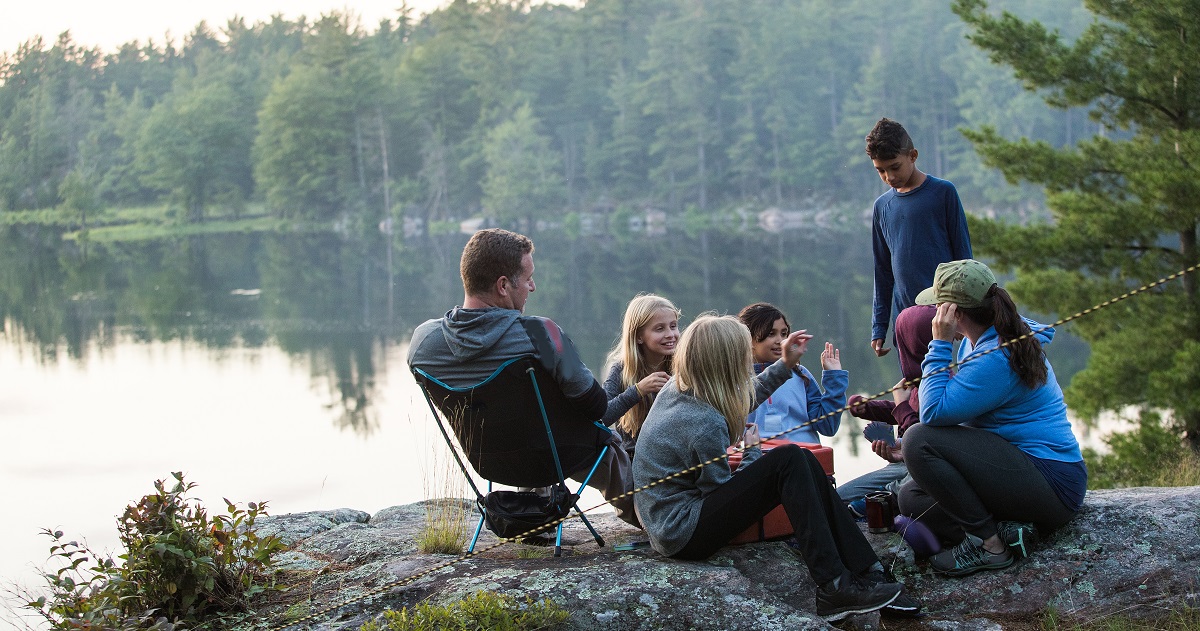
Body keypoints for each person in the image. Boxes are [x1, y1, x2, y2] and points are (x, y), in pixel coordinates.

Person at [634, 315, 920, 622]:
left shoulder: (684, 388)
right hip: (681, 531)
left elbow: (740, 399)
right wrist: (751, 454)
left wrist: (785, 365)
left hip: (674, 517)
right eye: (742, 354)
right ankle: (834, 586)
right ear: (727, 362)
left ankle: (869, 573)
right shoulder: (704, 422)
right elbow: (718, 492)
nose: (747, 360)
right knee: (788, 460)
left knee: (802, 459)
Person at [406, 228, 638, 526]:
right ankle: (653, 519)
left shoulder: (423, 342)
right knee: (607, 439)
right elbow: (596, 407)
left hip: (489, 463)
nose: (533, 286)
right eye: (528, 278)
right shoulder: (541, 335)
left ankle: (532, 518)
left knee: (532, 427)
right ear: (503, 285)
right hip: (561, 457)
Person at [898, 259, 1087, 576]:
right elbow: (961, 415)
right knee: (913, 498)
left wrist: (940, 342)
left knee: (918, 440)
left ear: (954, 313)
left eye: (939, 306)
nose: (934, 313)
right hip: (1019, 468)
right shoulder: (985, 337)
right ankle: (1014, 533)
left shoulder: (997, 355)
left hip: (1050, 479)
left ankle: (990, 546)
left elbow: (931, 413)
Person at [866, 117, 972, 359]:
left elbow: (963, 258)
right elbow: (882, 272)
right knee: (915, 388)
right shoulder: (882, 206)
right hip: (905, 318)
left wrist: (962, 313)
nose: (889, 177)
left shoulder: (943, 193)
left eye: (895, 167)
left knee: (945, 383)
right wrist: (879, 327)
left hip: (945, 316)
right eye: (881, 170)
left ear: (912, 156)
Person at [837, 304, 937, 509]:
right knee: (839, 496)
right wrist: (870, 408)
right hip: (902, 461)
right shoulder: (916, 380)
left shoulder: (938, 381)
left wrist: (901, 407)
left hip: (924, 466)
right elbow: (907, 408)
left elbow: (924, 437)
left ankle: (887, 501)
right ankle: (884, 497)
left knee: (903, 491)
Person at [736, 303, 846, 445]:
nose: (780, 341)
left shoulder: (801, 375)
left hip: (804, 456)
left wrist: (834, 378)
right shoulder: (735, 379)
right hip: (756, 460)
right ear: (747, 338)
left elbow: (828, 426)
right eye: (771, 333)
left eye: (784, 333)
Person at [602, 294, 681, 460]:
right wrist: (638, 390)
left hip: (676, 460)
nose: (670, 334)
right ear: (638, 336)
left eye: (673, 326)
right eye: (660, 329)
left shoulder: (684, 366)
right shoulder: (621, 369)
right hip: (634, 462)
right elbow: (602, 417)